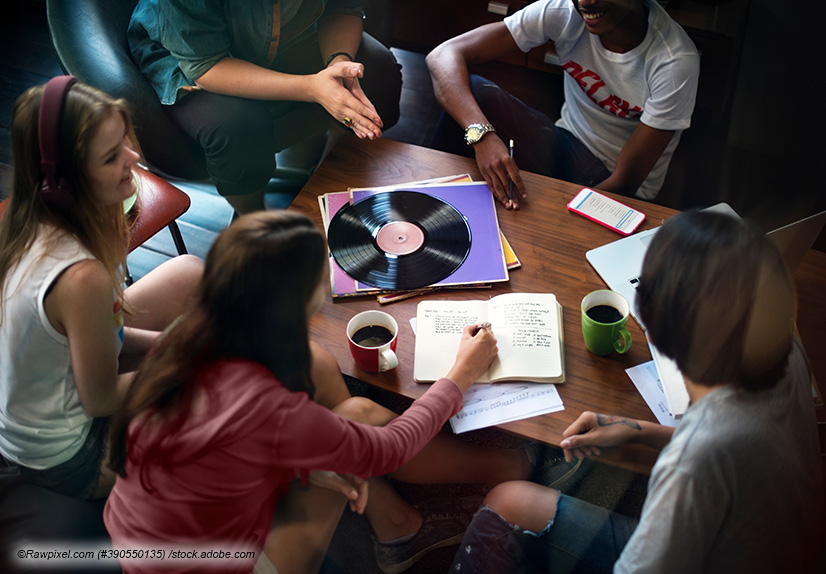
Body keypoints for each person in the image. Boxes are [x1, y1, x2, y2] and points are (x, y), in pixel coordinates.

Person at [103, 211, 541, 574]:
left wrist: (307, 463)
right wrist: (462, 372)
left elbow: (219, 449)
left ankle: (399, 528)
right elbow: (389, 448)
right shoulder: (268, 407)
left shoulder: (190, 336)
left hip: (141, 541)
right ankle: (507, 466)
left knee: (335, 398)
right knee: (361, 417)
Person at [448, 210, 825, 573]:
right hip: (785, 542)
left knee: (506, 502)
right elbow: (743, 446)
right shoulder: (783, 346)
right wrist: (636, 431)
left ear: (659, 334)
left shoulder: (692, 463)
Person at [0, 77, 203, 500]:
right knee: (219, 394)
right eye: (112, 157)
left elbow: (107, 334)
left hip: (61, 387)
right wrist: (186, 362)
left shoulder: (29, 219)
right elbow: (102, 398)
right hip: (70, 456)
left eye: (125, 140)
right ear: (64, 183)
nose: (133, 158)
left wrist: (166, 345)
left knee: (188, 271)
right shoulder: (80, 277)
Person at [128, 0, 403, 215]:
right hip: (192, 57)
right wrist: (312, 88)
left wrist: (338, 64)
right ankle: (253, 219)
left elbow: (341, 8)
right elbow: (207, 65)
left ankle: (326, 183)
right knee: (236, 127)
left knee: (380, 73)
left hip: (290, 36)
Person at [426, 0, 699, 210]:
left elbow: (625, 183)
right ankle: (429, 205)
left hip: (612, 178)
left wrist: (552, 219)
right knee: (475, 94)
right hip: (564, 142)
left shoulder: (674, 61)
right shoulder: (565, 11)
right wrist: (481, 136)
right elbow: (443, 55)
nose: (587, 1)